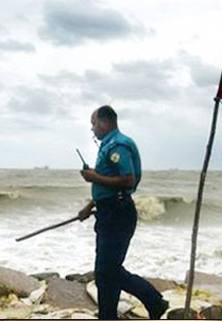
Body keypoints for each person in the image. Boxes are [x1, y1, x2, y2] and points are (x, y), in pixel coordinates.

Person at [78, 105, 169, 320]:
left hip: (118, 214)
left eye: (94, 123)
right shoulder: (108, 145)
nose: (92, 129)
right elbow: (108, 186)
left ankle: (155, 302)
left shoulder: (118, 145)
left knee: (108, 270)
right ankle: (109, 315)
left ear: (105, 122)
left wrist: (94, 177)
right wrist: (89, 206)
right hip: (108, 211)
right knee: (106, 272)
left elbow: (127, 179)